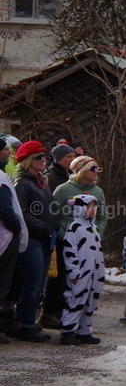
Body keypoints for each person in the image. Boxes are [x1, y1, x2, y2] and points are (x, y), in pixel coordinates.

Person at [45, 155, 108, 328]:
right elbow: (52, 214)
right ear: (81, 170)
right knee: (61, 278)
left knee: (84, 279)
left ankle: (78, 316)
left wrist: (97, 234)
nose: (96, 172)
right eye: (92, 168)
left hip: (88, 244)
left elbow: (102, 216)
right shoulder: (63, 190)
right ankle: (50, 312)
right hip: (65, 241)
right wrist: (62, 234)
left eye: (97, 169)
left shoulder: (98, 192)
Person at [12, 141, 57, 342]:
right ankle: (25, 324)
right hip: (31, 240)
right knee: (32, 282)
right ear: (29, 160)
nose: (43, 160)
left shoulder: (40, 180)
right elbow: (22, 213)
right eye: (39, 157)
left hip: (44, 238)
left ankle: (27, 322)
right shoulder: (22, 182)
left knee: (39, 283)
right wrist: (44, 226)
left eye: (43, 157)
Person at [58, 195, 104, 345]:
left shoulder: (94, 228)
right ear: (80, 208)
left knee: (90, 301)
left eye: (93, 207)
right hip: (80, 273)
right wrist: (74, 272)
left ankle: (84, 330)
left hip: (94, 273)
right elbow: (69, 252)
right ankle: (68, 331)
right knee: (75, 300)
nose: (91, 210)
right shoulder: (74, 227)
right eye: (88, 207)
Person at [0, 137, 27, 344]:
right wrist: (16, 228)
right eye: (5, 150)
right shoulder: (1, 179)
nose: (8, 154)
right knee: (2, 284)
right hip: (5, 236)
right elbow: (6, 210)